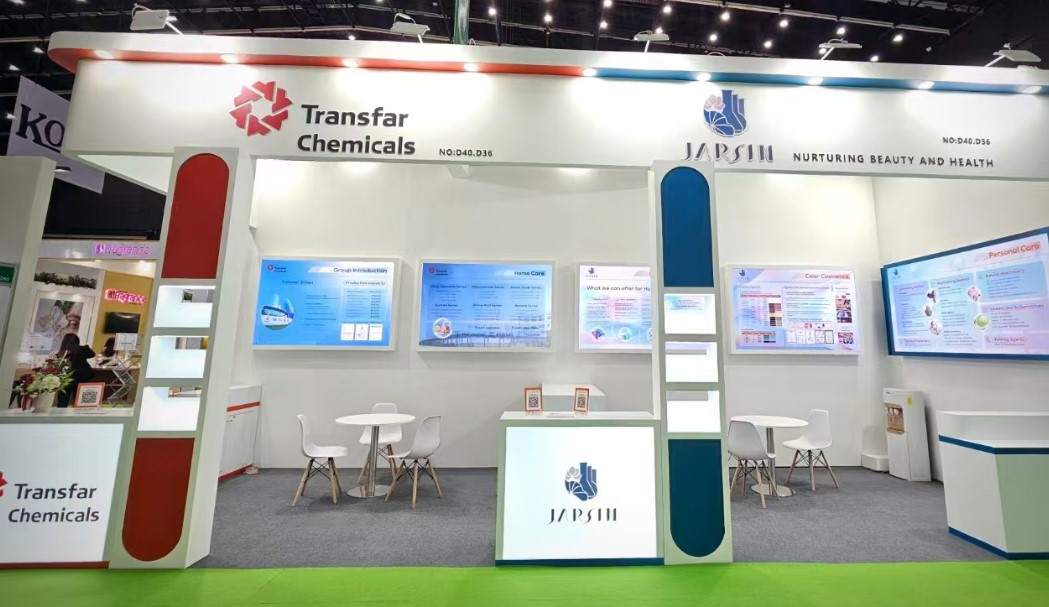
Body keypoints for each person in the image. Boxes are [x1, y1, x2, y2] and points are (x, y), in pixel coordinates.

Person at [56, 334, 95, 408]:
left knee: (62, 401)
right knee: (79, 401)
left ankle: (60, 413)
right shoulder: (83, 349)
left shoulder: (62, 352)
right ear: (77, 340)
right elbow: (92, 354)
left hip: (66, 378)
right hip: (82, 377)